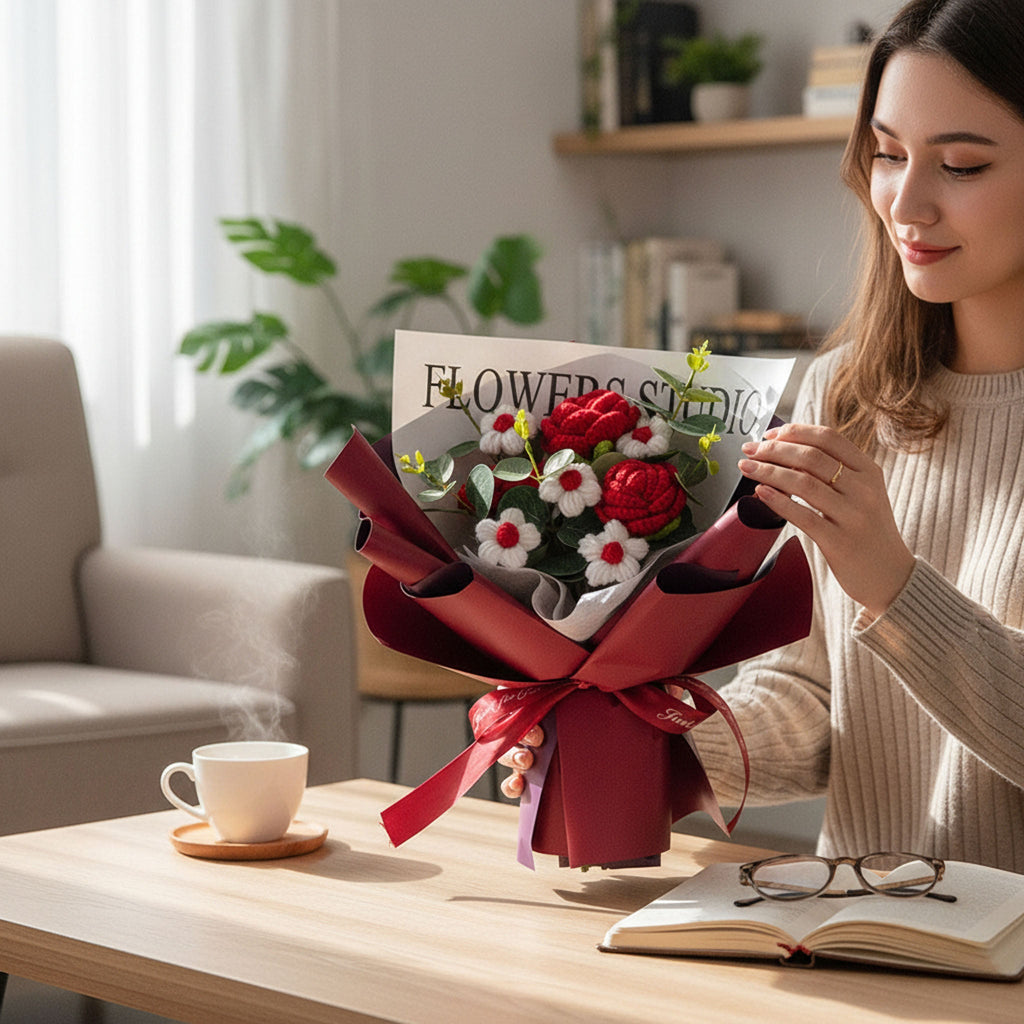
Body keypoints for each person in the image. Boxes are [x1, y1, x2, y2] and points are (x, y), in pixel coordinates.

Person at [502, 0, 1024, 873]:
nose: (907, 201)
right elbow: (813, 696)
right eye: (888, 155)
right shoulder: (848, 393)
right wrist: (644, 740)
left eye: (962, 165)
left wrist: (891, 584)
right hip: (861, 932)